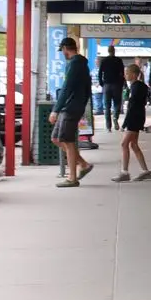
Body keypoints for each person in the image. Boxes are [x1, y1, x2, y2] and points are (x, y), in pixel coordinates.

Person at [50, 37, 93, 188]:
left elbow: (67, 88)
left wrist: (55, 110)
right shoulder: (82, 65)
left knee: (68, 142)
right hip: (73, 106)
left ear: (65, 49)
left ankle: (72, 178)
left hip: (70, 107)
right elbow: (87, 89)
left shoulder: (75, 64)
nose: (62, 53)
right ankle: (83, 164)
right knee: (56, 138)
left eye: (62, 50)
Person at [111, 64, 151, 183]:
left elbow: (132, 106)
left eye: (127, 73)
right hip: (139, 117)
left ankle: (125, 172)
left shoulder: (135, 87)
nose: (125, 75)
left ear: (134, 75)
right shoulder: (140, 86)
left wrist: (124, 124)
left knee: (124, 144)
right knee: (133, 145)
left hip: (134, 119)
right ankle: (145, 171)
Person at [98, 46, 125, 132]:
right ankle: (115, 117)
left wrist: (102, 83)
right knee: (117, 103)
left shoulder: (104, 61)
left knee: (107, 106)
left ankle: (108, 127)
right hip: (117, 85)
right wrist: (121, 83)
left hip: (107, 85)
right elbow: (122, 73)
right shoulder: (119, 60)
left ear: (108, 51)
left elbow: (100, 73)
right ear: (114, 51)